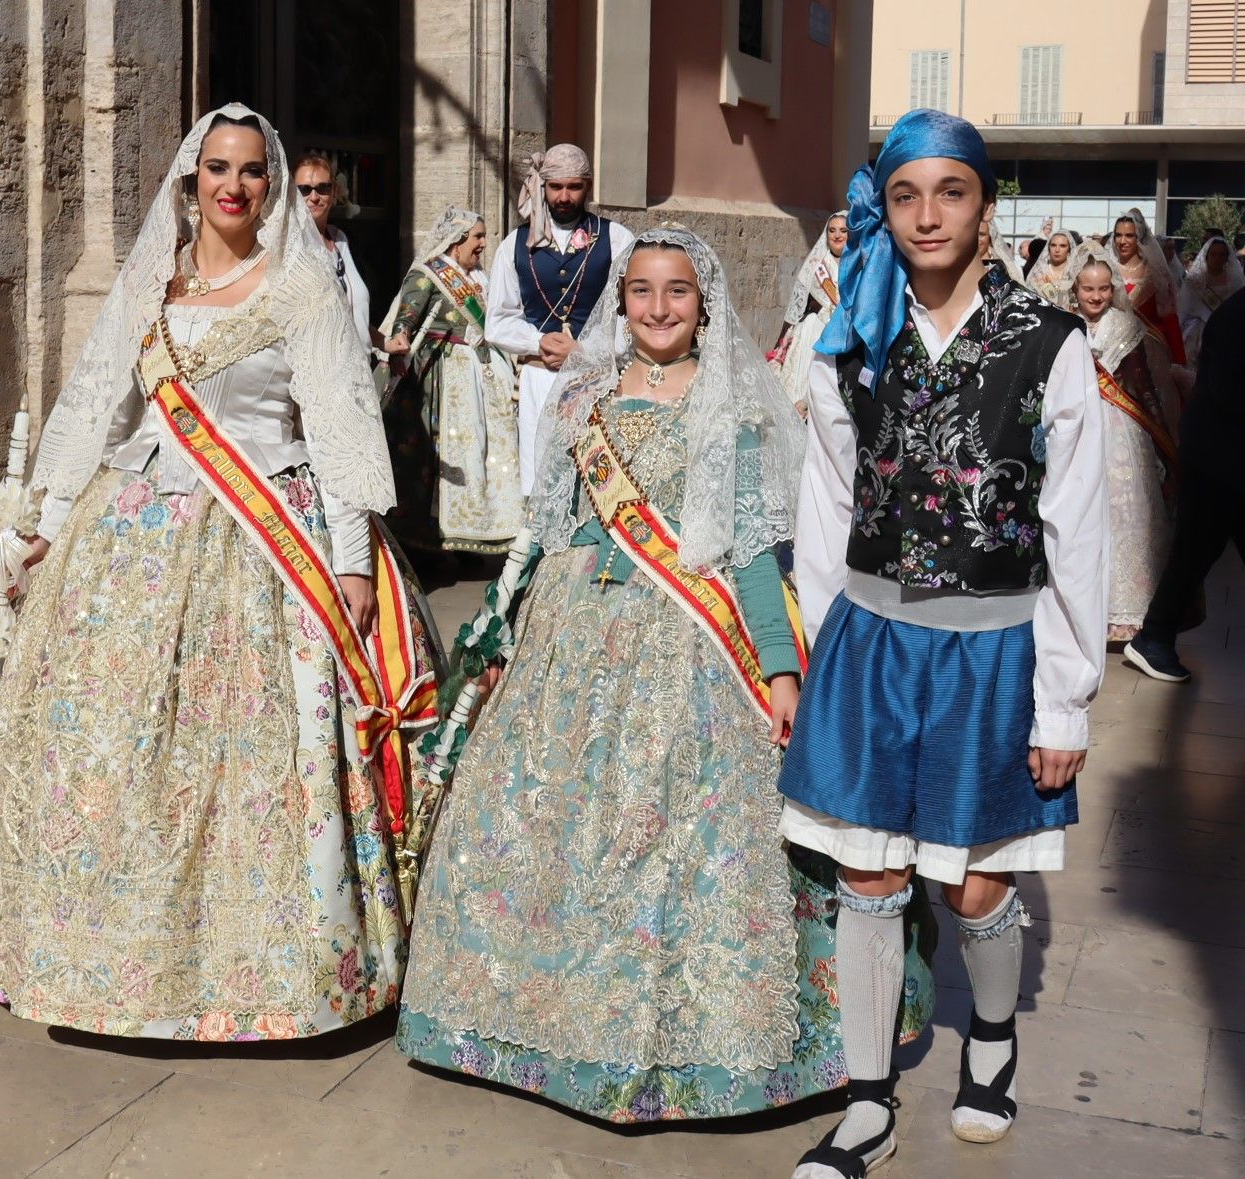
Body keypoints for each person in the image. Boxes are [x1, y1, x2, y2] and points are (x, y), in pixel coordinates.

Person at [396, 226, 938, 1122]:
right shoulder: (584, 395)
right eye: (641, 289)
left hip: (689, 640)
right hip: (570, 639)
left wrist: (778, 670)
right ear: (620, 298)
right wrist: (500, 635)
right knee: (550, 825)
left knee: (679, 839)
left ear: (704, 303)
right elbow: (553, 527)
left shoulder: (737, 405)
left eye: (676, 291)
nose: (656, 306)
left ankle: (693, 1046)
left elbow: (757, 551)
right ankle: (527, 1021)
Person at [0, 104, 433, 1040]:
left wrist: (349, 563)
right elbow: (98, 410)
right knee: (114, 749)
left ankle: (269, 977)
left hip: (262, 539)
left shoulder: (300, 291)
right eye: (218, 167)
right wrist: (43, 523)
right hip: (136, 535)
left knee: (253, 762)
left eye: (252, 170)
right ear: (190, 179)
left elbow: (335, 430)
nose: (233, 185)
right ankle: (103, 966)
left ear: (273, 184)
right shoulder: (151, 287)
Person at [777, 110, 1106, 1177]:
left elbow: (1076, 525)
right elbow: (826, 499)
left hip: (992, 650)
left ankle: (993, 1044)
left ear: (984, 207)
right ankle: (866, 1102)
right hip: (871, 643)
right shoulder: (849, 337)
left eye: (949, 193)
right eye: (906, 193)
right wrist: (831, 643)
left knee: (972, 888)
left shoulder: (1047, 344)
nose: (927, 215)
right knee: (867, 879)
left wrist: (1063, 698)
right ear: (886, 205)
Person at [485, 144, 633, 495]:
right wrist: (538, 341)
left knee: (598, 477)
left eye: (574, 187)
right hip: (540, 378)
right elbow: (498, 320)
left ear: (588, 187)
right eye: (556, 187)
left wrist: (584, 350)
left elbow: (631, 317)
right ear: (542, 187)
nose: (564, 196)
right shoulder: (513, 244)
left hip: (597, 376)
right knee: (540, 477)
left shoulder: (617, 238)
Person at [379, 207, 523, 556]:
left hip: (485, 375)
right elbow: (404, 326)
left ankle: (483, 529)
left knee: (490, 452)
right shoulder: (428, 275)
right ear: (456, 241)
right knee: (440, 455)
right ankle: (432, 538)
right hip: (443, 379)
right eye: (477, 237)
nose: (483, 244)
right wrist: (398, 351)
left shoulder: (480, 279)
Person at [1123, 284, 1245, 683]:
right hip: (1221, 459)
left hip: (1222, 458)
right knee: (1193, 550)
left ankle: (1154, 638)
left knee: (1194, 552)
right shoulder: (1235, 317)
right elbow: (1230, 394)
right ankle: (1153, 638)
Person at [1069, 242, 1178, 643]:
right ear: (1075, 290)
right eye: (1088, 289)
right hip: (1076, 429)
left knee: (1124, 517)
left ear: (1113, 288)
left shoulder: (1126, 327)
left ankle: (1125, 613)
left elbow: (1142, 386)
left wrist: (1160, 434)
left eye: (1103, 289)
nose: (1096, 297)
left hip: (1121, 433)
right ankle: (1082, 607)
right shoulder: (1064, 325)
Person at [294, 151, 373, 349]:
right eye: (304, 189)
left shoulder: (341, 241)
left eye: (323, 188)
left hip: (360, 367)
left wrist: (384, 342)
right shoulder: (292, 247)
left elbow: (352, 312)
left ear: (334, 191)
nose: (314, 197)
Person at [777, 211, 850, 414]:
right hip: (813, 333)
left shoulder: (860, 264)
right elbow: (796, 306)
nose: (837, 235)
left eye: (843, 231)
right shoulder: (815, 265)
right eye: (832, 231)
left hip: (845, 336)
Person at [1112, 209, 1187, 365]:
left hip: (1150, 353)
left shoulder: (1156, 275)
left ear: (1139, 237)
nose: (1122, 241)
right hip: (1112, 351)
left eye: (1129, 235)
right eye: (1118, 235)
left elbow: (1170, 319)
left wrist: (1179, 361)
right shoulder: (1106, 270)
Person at [1177, 234, 1245, 363]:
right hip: (1197, 332)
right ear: (1206, 256)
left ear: (1227, 258)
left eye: (1221, 255)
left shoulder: (1235, 281)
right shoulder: (1194, 281)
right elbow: (1182, 309)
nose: (1217, 258)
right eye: (1213, 254)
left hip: (1227, 330)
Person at [1028, 229, 1079, 309]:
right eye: (1053, 245)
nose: (1057, 250)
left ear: (1069, 250)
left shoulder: (1076, 273)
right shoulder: (1038, 272)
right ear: (1048, 248)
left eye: (1062, 246)